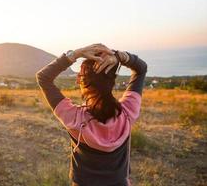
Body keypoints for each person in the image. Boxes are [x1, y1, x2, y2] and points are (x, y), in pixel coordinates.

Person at [36, 43, 147, 186]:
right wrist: (118, 56)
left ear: (83, 81)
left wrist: (76, 54)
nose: (77, 79)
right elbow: (141, 69)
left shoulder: (74, 117)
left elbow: (43, 77)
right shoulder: (128, 112)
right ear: (112, 81)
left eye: (80, 76)